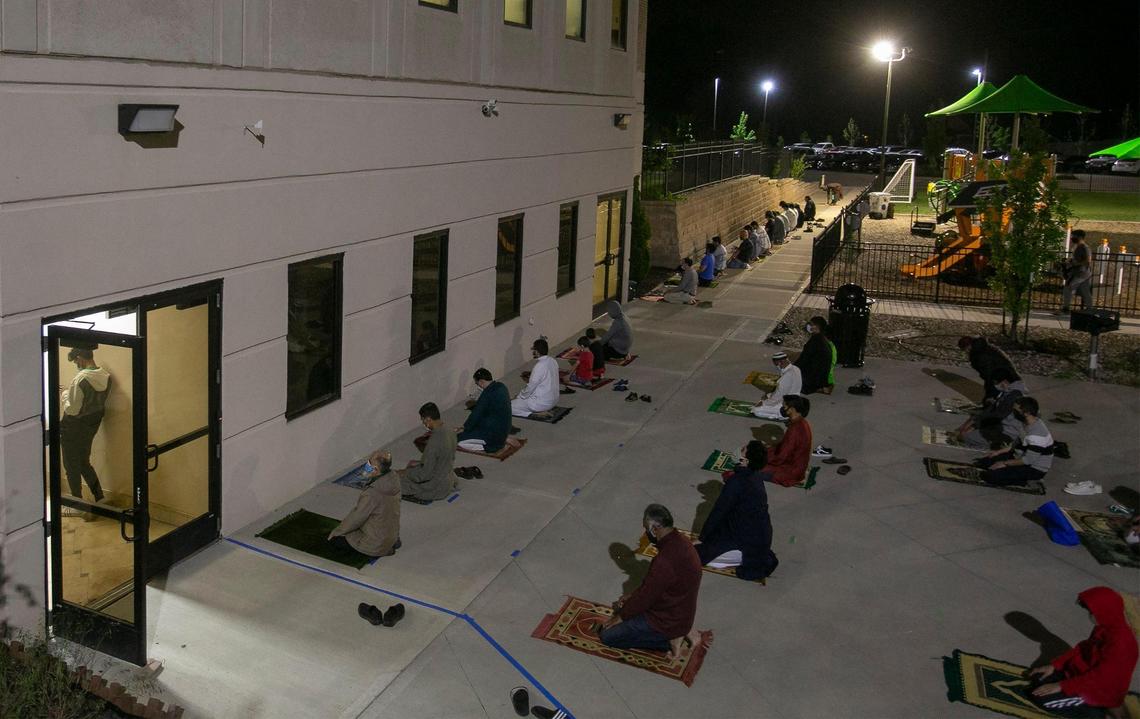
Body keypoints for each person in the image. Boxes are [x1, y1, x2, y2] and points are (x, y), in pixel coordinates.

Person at [599, 504, 705, 656]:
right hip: (681, 612)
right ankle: (681, 631)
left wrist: (620, 617)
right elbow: (654, 587)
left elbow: (646, 598)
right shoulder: (683, 542)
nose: (645, 533)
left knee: (608, 635)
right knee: (629, 604)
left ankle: (668, 640)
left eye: (646, 528)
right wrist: (631, 598)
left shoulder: (664, 560)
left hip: (667, 620)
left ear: (655, 529)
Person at [1027, 586, 1138, 718]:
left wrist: (1062, 686)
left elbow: (1102, 678)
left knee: (1042, 699)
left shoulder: (1121, 642)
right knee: (1038, 678)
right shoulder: (1103, 627)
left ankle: (1092, 711)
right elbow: (1083, 648)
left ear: (1105, 611)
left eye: (1093, 612)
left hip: (1098, 690)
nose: (1090, 615)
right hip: (1082, 675)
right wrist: (1054, 666)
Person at [695, 440, 779, 581]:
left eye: (743, 450)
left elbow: (719, 512)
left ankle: (739, 559)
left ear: (746, 460)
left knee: (698, 555)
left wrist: (702, 538)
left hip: (745, 538)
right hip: (759, 535)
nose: (739, 450)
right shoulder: (756, 476)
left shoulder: (737, 482)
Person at [328, 450, 401, 559]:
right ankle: (390, 543)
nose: (367, 465)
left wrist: (337, 532)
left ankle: (377, 548)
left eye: (369, 463)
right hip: (391, 536)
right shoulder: (394, 479)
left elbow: (357, 517)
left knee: (337, 540)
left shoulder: (372, 493)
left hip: (375, 543)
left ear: (376, 469)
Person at [60, 346, 112, 502]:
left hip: (72, 426)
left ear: (80, 358)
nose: (77, 365)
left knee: (71, 466)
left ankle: (78, 503)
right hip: (91, 426)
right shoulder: (106, 376)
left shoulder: (80, 378)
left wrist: (64, 395)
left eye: (76, 361)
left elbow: (72, 409)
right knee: (84, 462)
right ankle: (99, 497)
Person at [972, 397, 1053, 487]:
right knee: (983, 463)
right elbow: (1016, 444)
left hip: (1034, 468)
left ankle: (1028, 481)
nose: (1013, 412)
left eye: (1016, 410)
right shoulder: (1025, 423)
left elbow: (1028, 460)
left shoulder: (1037, 435)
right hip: (1020, 456)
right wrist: (998, 452)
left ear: (1026, 413)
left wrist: (1004, 463)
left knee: (990, 476)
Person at [953, 368, 1027, 450]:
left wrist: (974, 426)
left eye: (996, 383)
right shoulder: (1008, 391)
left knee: (965, 437)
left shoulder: (1014, 395)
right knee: (970, 424)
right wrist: (973, 421)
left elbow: (996, 416)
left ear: (1005, 381)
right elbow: (991, 411)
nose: (995, 386)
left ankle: (998, 445)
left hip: (1005, 432)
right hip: (997, 426)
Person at [399, 402, 458, 501]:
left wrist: (405, 473)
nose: (423, 424)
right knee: (414, 465)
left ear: (428, 419)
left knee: (395, 482)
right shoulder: (450, 430)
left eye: (423, 420)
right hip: (448, 479)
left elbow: (424, 475)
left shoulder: (434, 443)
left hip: (436, 488)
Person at [457, 368, 512, 453]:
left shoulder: (487, 394)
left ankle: (486, 446)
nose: (478, 386)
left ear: (482, 381)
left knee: (459, 440)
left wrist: (465, 428)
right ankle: (502, 439)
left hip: (493, 434)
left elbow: (476, 415)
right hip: (505, 429)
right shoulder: (501, 386)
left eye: (477, 383)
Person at [762, 395, 813, 487]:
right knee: (765, 449)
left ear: (792, 409)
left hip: (792, 470)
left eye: (784, 406)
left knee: (754, 467)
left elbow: (781, 457)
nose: (783, 408)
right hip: (798, 464)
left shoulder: (794, 430)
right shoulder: (802, 422)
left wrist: (763, 458)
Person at [958, 336, 1020, 402]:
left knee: (995, 401)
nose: (965, 352)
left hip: (1004, 378)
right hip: (1005, 377)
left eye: (964, 349)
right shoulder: (981, 349)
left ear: (968, 346)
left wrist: (989, 394)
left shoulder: (980, 354)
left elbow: (989, 374)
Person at [512, 338, 560, 417]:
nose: (533, 353)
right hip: (554, 400)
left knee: (507, 407)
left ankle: (534, 414)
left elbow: (530, 387)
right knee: (520, 399)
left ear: (537, 352)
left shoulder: (539, 366)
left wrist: (519, 396)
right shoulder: (552, 360)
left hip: (541, 403)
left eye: (534, 350)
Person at [751, 352, 802, 419]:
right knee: (763, 400)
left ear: (781, 362)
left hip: (786, 404)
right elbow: (782, 391)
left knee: (756, 410)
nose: (777, 367)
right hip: (793, 400)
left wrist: (764, 403)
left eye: (777, 364)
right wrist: (768, 396)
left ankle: (783, 415)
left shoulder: (787, 376)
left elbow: (778, 396)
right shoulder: (796, 368)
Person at [794, 316, 835, 395]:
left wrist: (791, 370)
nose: (808, 326)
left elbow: (803, 360)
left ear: (816, 327)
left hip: (813, 380)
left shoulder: (815, 341)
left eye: (811, 324)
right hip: (821, 377)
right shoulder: (822, 339)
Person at [1059, 229, 1093, 314]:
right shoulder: (1076, 247)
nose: (1072, 238)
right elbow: (1075, 259)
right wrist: (1068, 262)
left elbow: (1088, 260)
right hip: (1080, 272)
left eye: (1074, 236)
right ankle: (1090, 310)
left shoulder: (1085, 248)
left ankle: (1066, 309)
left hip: (1081, 273)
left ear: (1080, 237)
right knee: (1085, 292)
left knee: (1069, 288)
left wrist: (1074, 264)